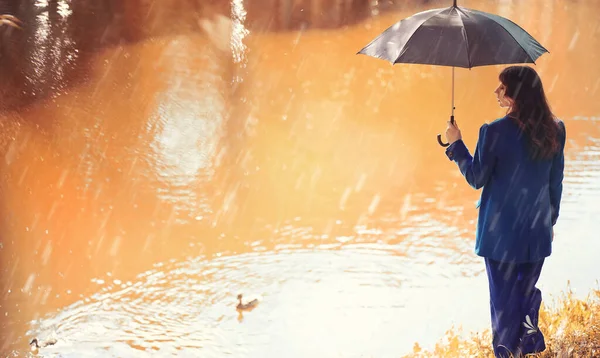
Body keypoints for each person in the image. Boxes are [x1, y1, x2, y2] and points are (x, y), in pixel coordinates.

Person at [443, 65, 566, 358]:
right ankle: (527, 336)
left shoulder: (493, 132)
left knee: (502, 303)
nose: (496, 92)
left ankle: (509, 350)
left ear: (513, 95)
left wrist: (456, 143)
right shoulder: (555, 128)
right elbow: (555, 183)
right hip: (536, 234)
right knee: (523, 293)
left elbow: (476, 178)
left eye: (501, 87)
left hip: (500, 237)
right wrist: (549, 222)